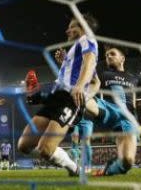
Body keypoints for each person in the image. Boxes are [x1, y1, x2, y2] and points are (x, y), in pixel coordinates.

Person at [17, 13, 99, 176]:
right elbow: (96, 81)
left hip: (69, 101)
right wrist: (64, 62)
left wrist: (81, 89)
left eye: (72, 27)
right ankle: (66, 161)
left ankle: (74, 168)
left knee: (45, 150)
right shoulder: (75, 50)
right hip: (55, 99)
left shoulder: (88, 40)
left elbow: (89, 63)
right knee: (23, 146)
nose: (67, 30)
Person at [84, 46, 140, 176]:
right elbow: (91, 81)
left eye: (112, 54)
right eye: (107, 55)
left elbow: (138, 99)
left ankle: (109, 169)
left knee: (127, 162)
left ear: (122, 58)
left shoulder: (135, 79)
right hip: (110, 110)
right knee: (81, 97)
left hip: (128, 119)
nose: (108, 56)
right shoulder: (104, 75)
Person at [55, 48, 93, 173]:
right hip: (74, 111)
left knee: (86, 141)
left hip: (86, 112)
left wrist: (88, 96)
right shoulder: (69, 69)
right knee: (74, 139)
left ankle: (88, 165)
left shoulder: (88, 63)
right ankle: (75, 165)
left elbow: (96, 82)